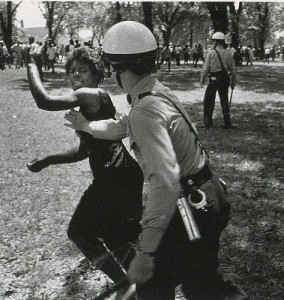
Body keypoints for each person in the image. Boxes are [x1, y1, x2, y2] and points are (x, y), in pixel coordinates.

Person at [64, 21, 248, 300]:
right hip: (208, 197)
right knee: (200, 285)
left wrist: (147, 251)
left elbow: (165, 184)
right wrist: (87, 126)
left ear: (117, 68)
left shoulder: (145, 110)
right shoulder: (155, 92)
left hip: (190, 209)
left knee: (156, 287)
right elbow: (120, 127)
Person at [26, 47, 144, 297]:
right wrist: (48, 160)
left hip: (114, 172)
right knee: (113, 236)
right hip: (120, 172)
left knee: (78, 231)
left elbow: (44, 101)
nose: (76, 76)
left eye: (83, 71)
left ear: (95, 75)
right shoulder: (89, 105)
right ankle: (141, 283)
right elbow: (83, 151)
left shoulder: (90, 94)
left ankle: (127, 285)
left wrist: (31, 66)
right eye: (72, 71)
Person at [200, 32, 237, 129]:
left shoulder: (211, 53)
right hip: (224, 79)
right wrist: (233, 81)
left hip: (214, 79)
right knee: (224, 100)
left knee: (209, 101)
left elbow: (206, 68)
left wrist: (202, 78)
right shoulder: (229, 52)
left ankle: (208, 122)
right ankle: (227, 123)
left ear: (215, 41)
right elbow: (233, 68)